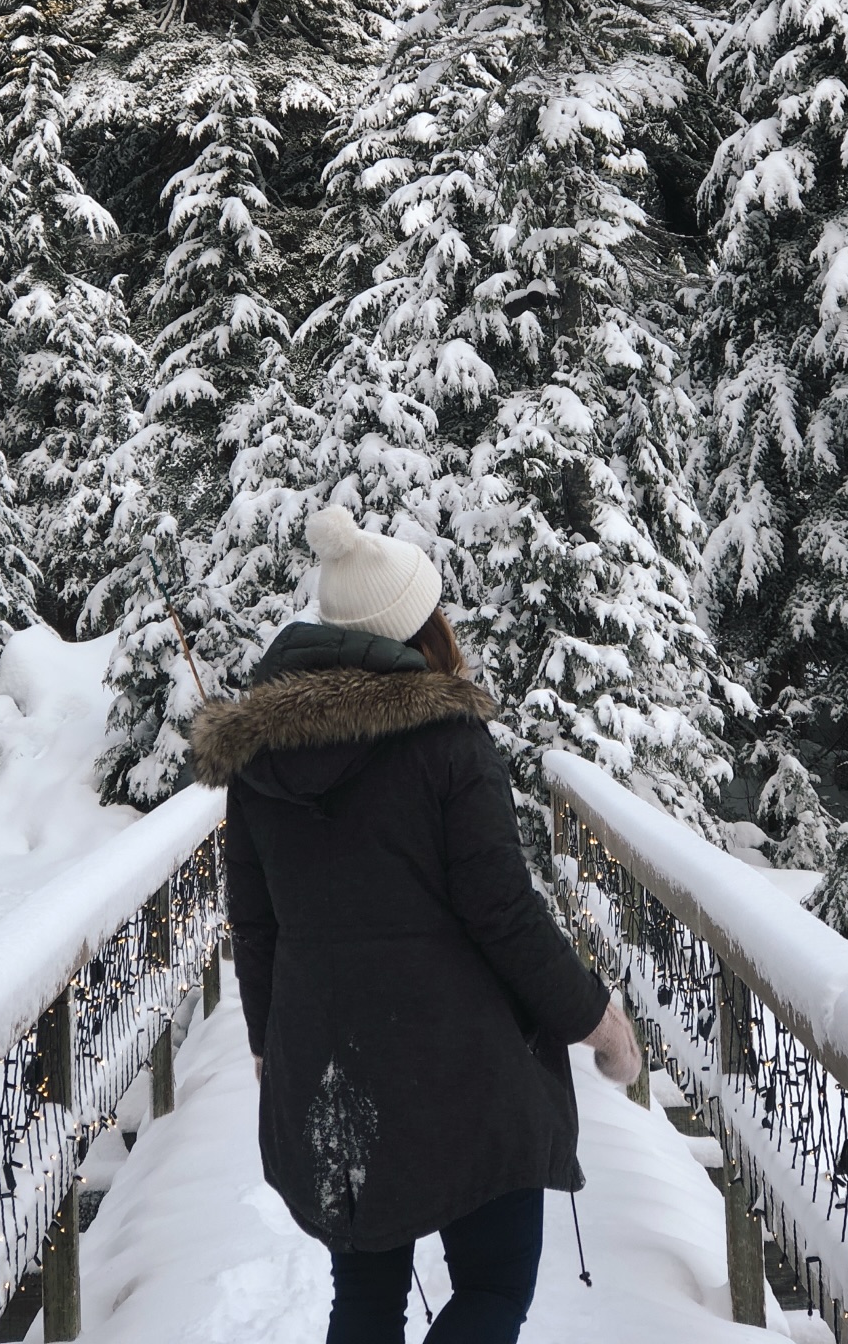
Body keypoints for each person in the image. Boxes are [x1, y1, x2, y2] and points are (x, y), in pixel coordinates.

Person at [191, 504, 642, 1344]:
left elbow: (254, 924)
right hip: (462, 1069)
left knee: (365, 1301)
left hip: (332, 1066)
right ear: (417, 626)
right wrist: (598, 1022)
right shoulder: (449, 740)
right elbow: (502, 910)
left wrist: (268, 1041)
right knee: (494, 1286)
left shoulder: (258, 759)